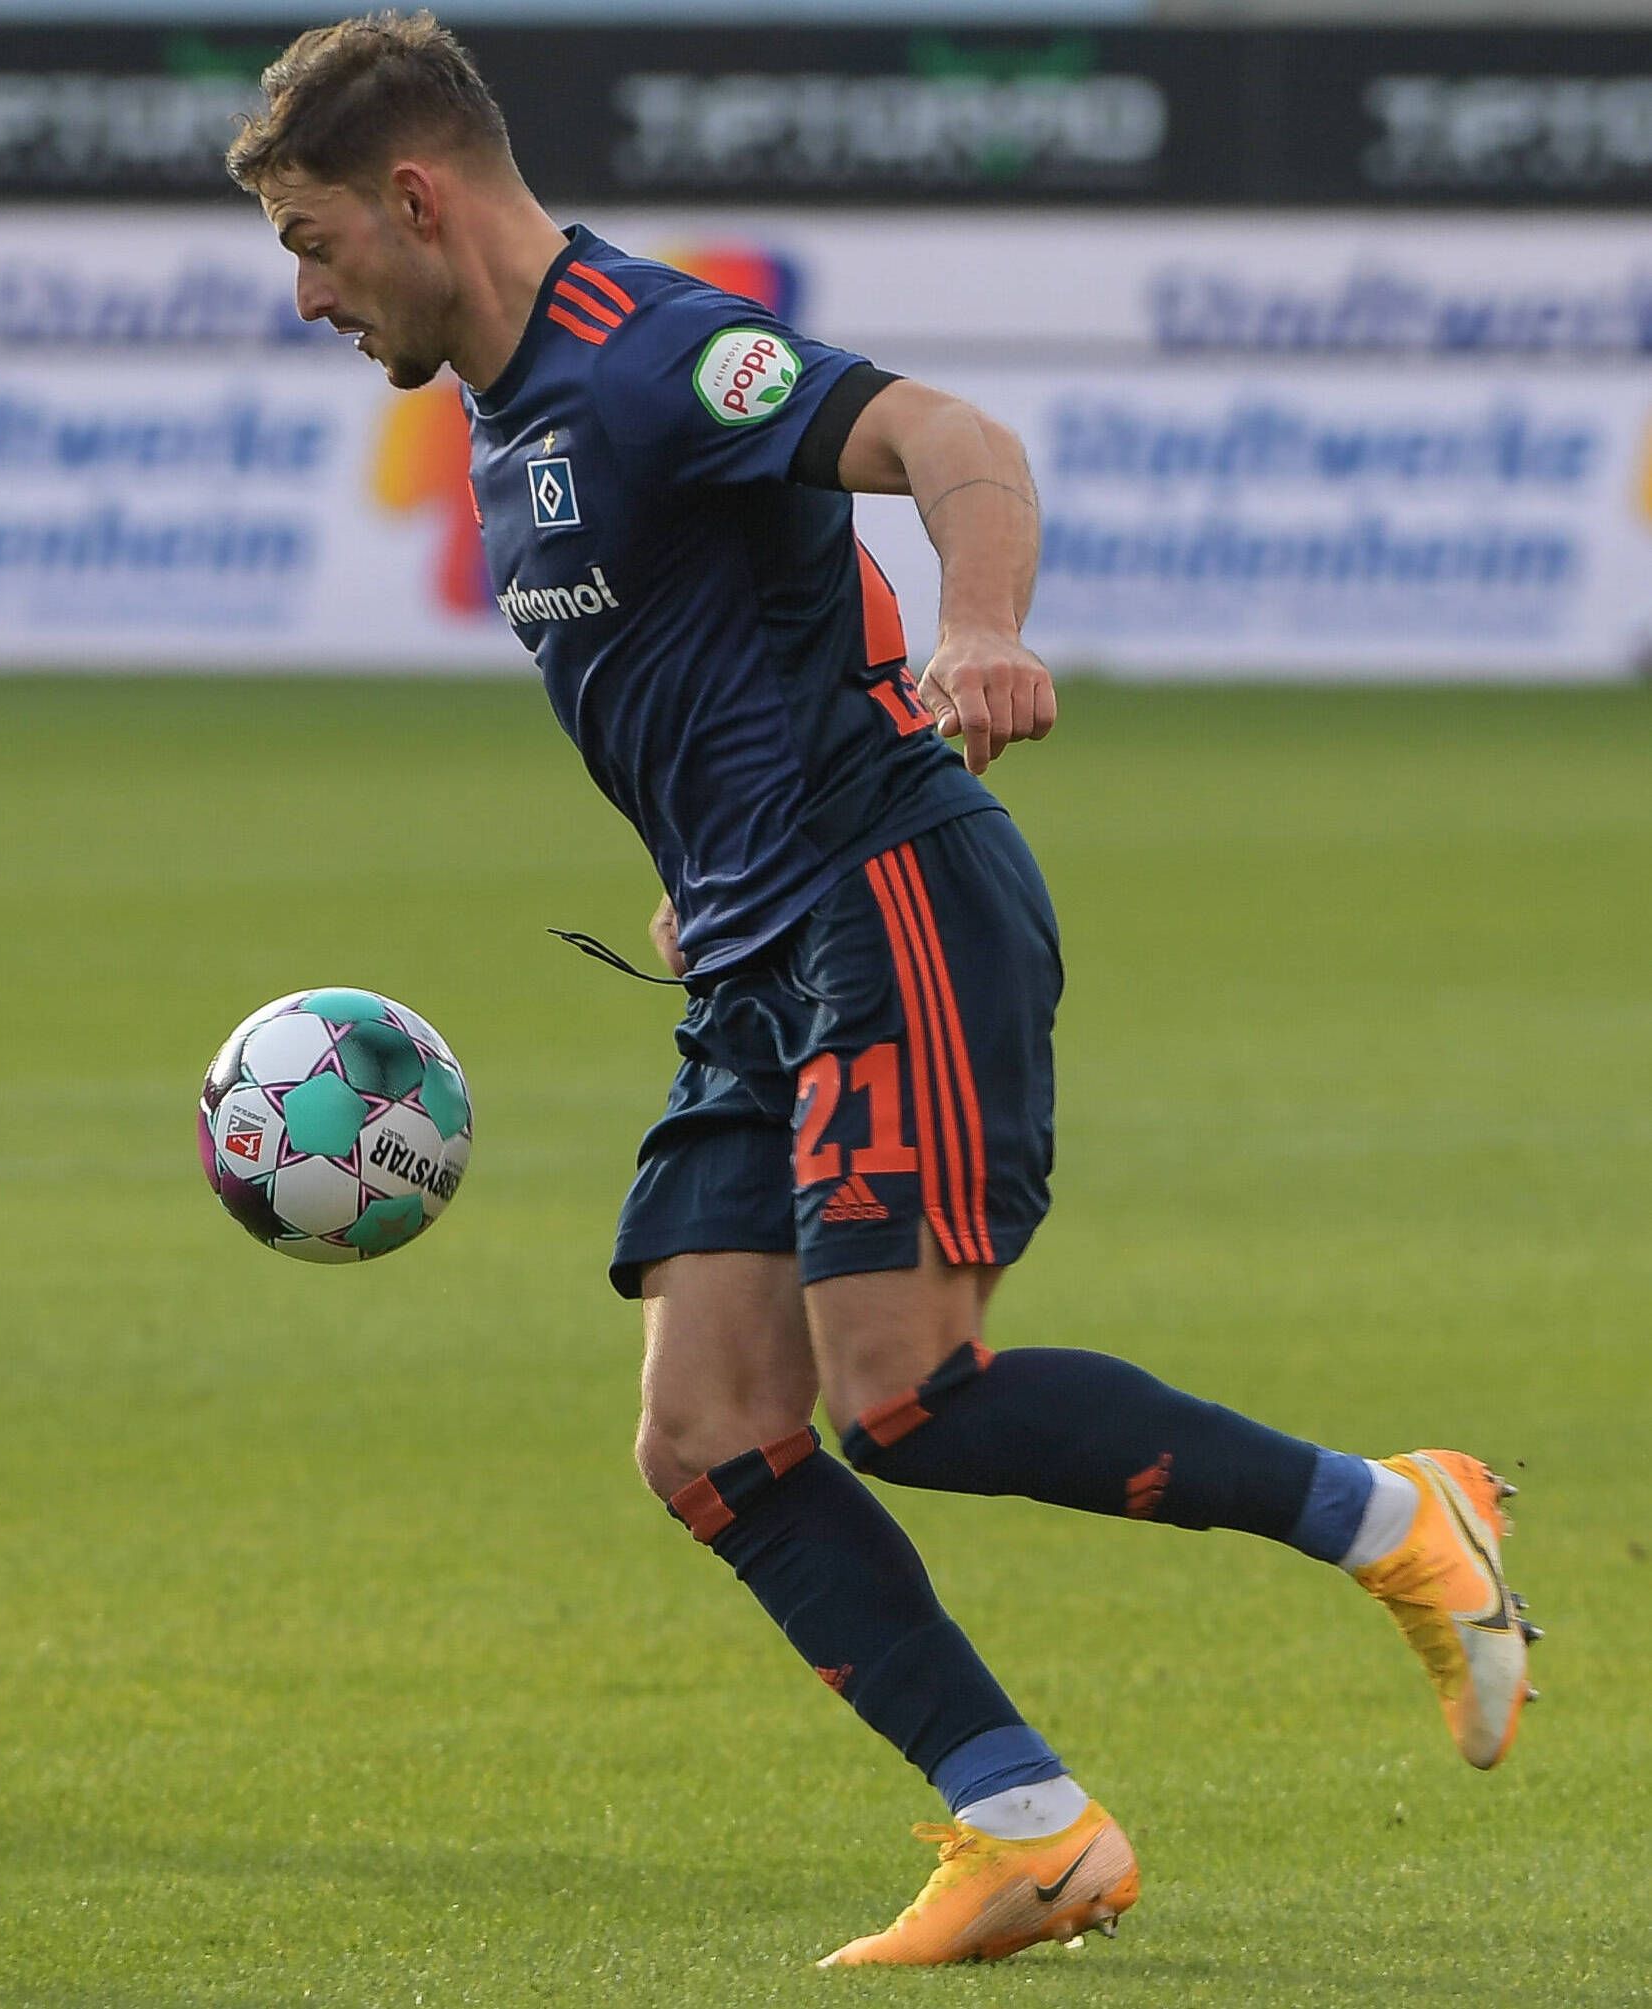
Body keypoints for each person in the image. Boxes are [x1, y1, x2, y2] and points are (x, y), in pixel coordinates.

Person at [227, 11, 1535, 1967]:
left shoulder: (652, 349)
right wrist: (692, 881)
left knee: (900, 1397)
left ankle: (1395, 1519)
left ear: (415, 195)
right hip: (755, 945)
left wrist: (982, 629)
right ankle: (1028, 1827)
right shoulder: (506, 422)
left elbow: (952, 439)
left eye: (315, 243)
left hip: (887, 896)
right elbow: (708, 672)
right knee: (710, 1438)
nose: (309, 292)